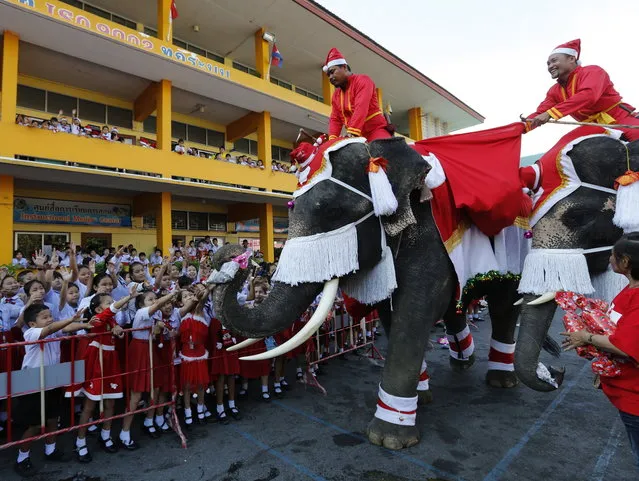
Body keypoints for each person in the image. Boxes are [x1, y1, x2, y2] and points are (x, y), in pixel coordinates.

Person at [561, 233, 639, 471]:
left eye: (613, 255)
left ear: (625, 262)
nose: (609, 258)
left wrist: (586, 337)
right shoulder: (631, 288)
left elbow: (625, 346)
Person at [14, 304, 89, 476]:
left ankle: (51, 449)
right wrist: (70, 318)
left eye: (50, 316)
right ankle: (22, 458)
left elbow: (67, 328)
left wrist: (84, 325)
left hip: (52, 378)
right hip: (32, 382)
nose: (50, 319)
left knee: (53, 417)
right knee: (33, 424)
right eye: (45, 317)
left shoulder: (52, 330)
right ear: (32, 323)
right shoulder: (31, 333)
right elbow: (52, 328)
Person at [525, 39, 639, 141]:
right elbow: (540, 113)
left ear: (571, 59)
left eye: (554, 61)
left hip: (620, 119)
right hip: (591, 128)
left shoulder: (593, 71)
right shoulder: (554, 91)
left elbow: (588, 95)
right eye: (548, 64)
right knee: (561, 150)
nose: (550, 66)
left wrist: (550, 113)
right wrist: (522, 126)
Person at [324, 47, 392, 142]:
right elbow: (335, 119)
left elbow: (361, 107)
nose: (330, 77)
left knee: (382, 152)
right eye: (328, 75)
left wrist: (352, 132)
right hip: (355, 137)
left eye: (332, 72)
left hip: (375, 131)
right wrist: (332, 141)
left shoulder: (363, 80)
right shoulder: (336, 95)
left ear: (344, 67)